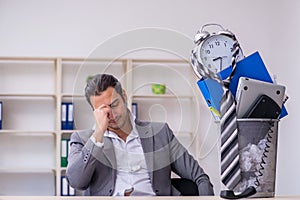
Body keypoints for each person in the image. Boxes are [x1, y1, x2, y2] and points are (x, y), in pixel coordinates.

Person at [66, 74, 214, 196]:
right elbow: (76, 181)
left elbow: (200, 178)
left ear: (124, 96)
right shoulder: (83, 140)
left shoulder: (160, 133)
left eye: (114, 105)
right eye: (102, 110)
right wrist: (98, 134)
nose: (111, 114)